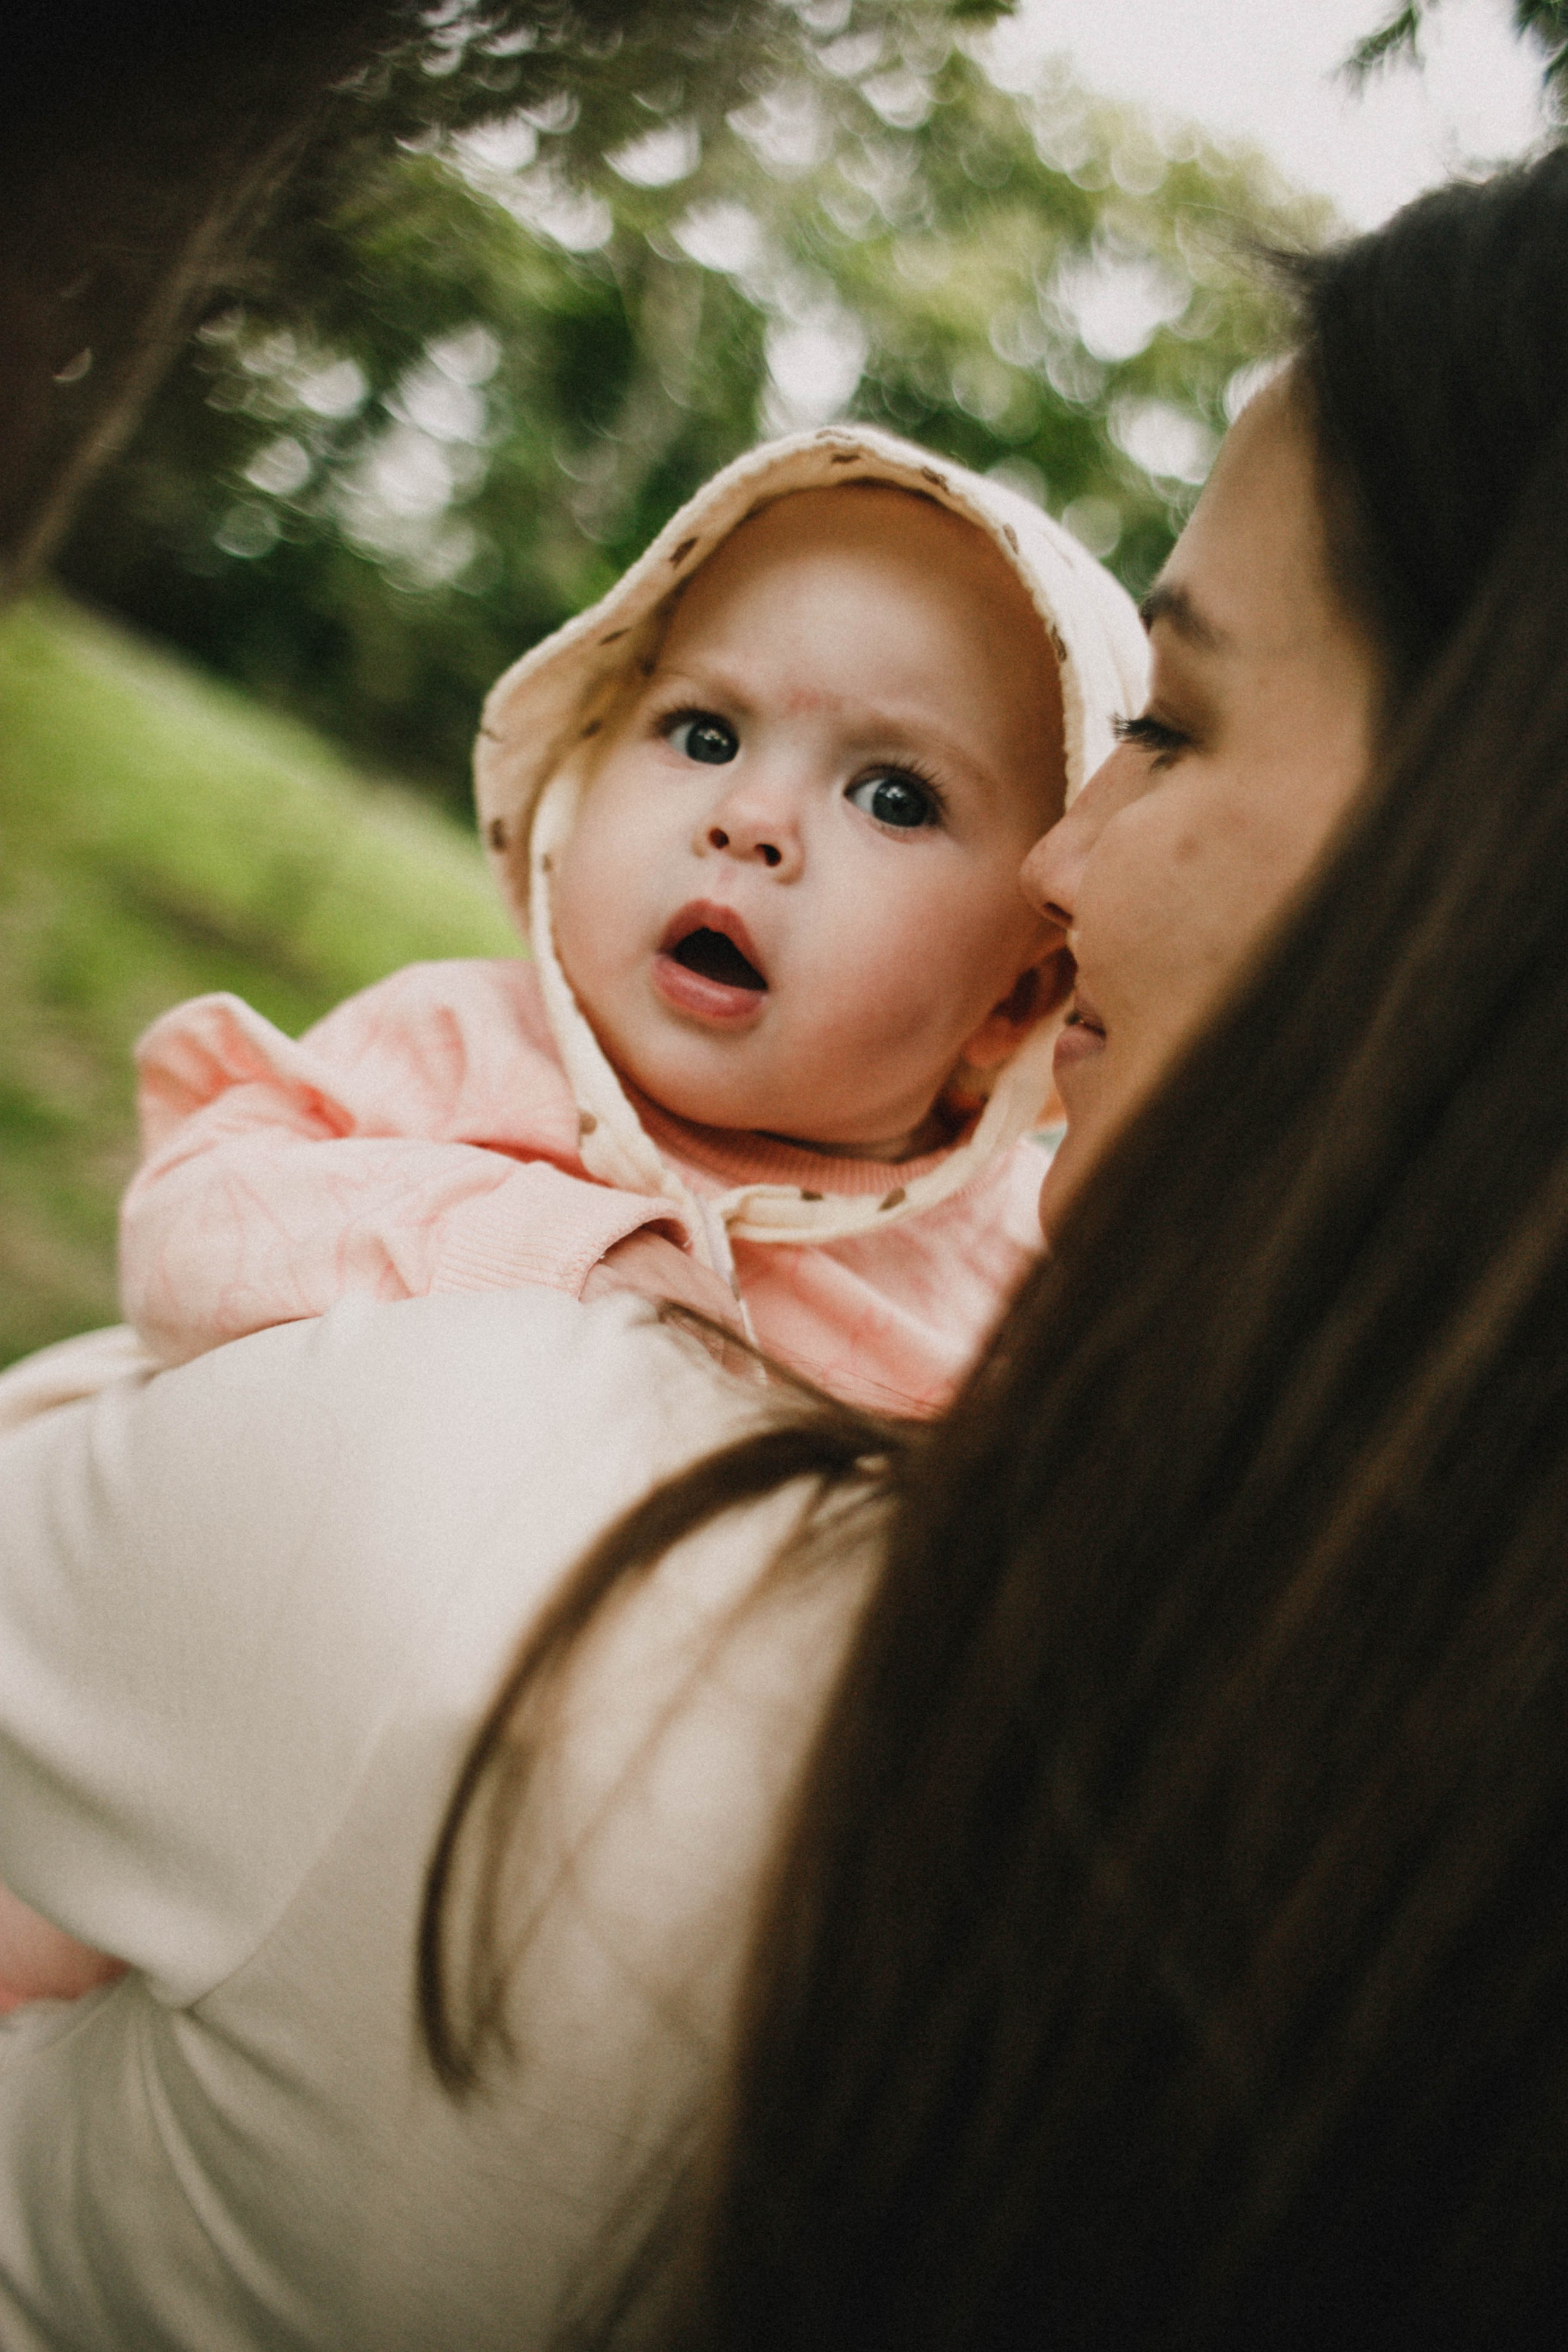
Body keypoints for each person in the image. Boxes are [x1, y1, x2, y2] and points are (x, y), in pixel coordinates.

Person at [0, 148, 1563, 2352]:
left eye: (1174, 728)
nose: (1068, 868)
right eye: (704, 733)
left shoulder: (546, 1530)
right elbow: (229, 1215)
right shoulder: (1409, 1949)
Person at [115, 426, 1147, 1415]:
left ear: (1017, 999)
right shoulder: (456, 1044)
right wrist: (543, 1261)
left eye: (892, 799)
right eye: (705, 735)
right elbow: (188, 1228)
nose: (750, 820)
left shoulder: (1018, 1298)